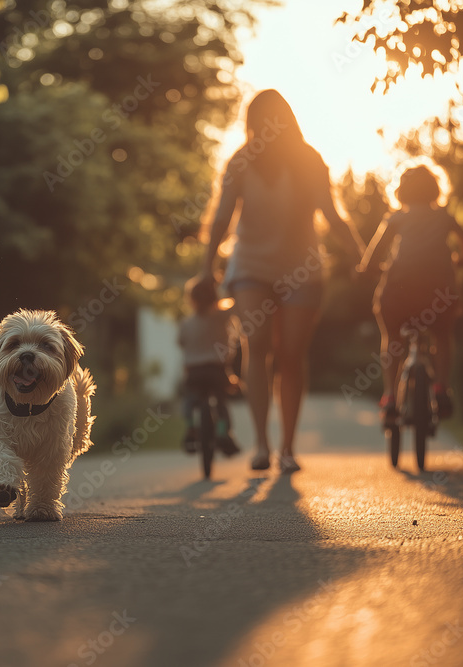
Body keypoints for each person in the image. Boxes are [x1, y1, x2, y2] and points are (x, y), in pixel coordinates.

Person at [199, 89, 365, 474]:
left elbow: (331, 213)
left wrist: (361, 255)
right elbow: (221, 219)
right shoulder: (239, 163)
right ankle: (261, 445)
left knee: (291, 354)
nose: (270, 127)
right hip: (251, 266)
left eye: (278, 119)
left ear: (289, 120)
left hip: (302, 269)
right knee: (256, 344)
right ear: (252, 124)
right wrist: (206, 266)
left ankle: (288, 448)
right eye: (262, 120)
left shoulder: (309, 160)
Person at [356, 160, 463, 421]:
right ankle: (442, 387)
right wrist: (460, 260)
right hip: (439, 292)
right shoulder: (444, 216)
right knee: (443, 335)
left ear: (401, 192)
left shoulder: (397, 218)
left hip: (400, 292)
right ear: (435, 190)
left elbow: (372, 257)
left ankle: (389, 396)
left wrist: (372, 269)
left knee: (392, 337)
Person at [177, 275, 240, 457]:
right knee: (221, 401)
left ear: (191, 299)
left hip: (194, 371)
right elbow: (235, 303)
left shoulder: (186, 323)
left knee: (190, 399)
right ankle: (223, 432)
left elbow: (181, 342)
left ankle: (190, 427)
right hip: (216, 370)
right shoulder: (221, 317)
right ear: (215, 298)